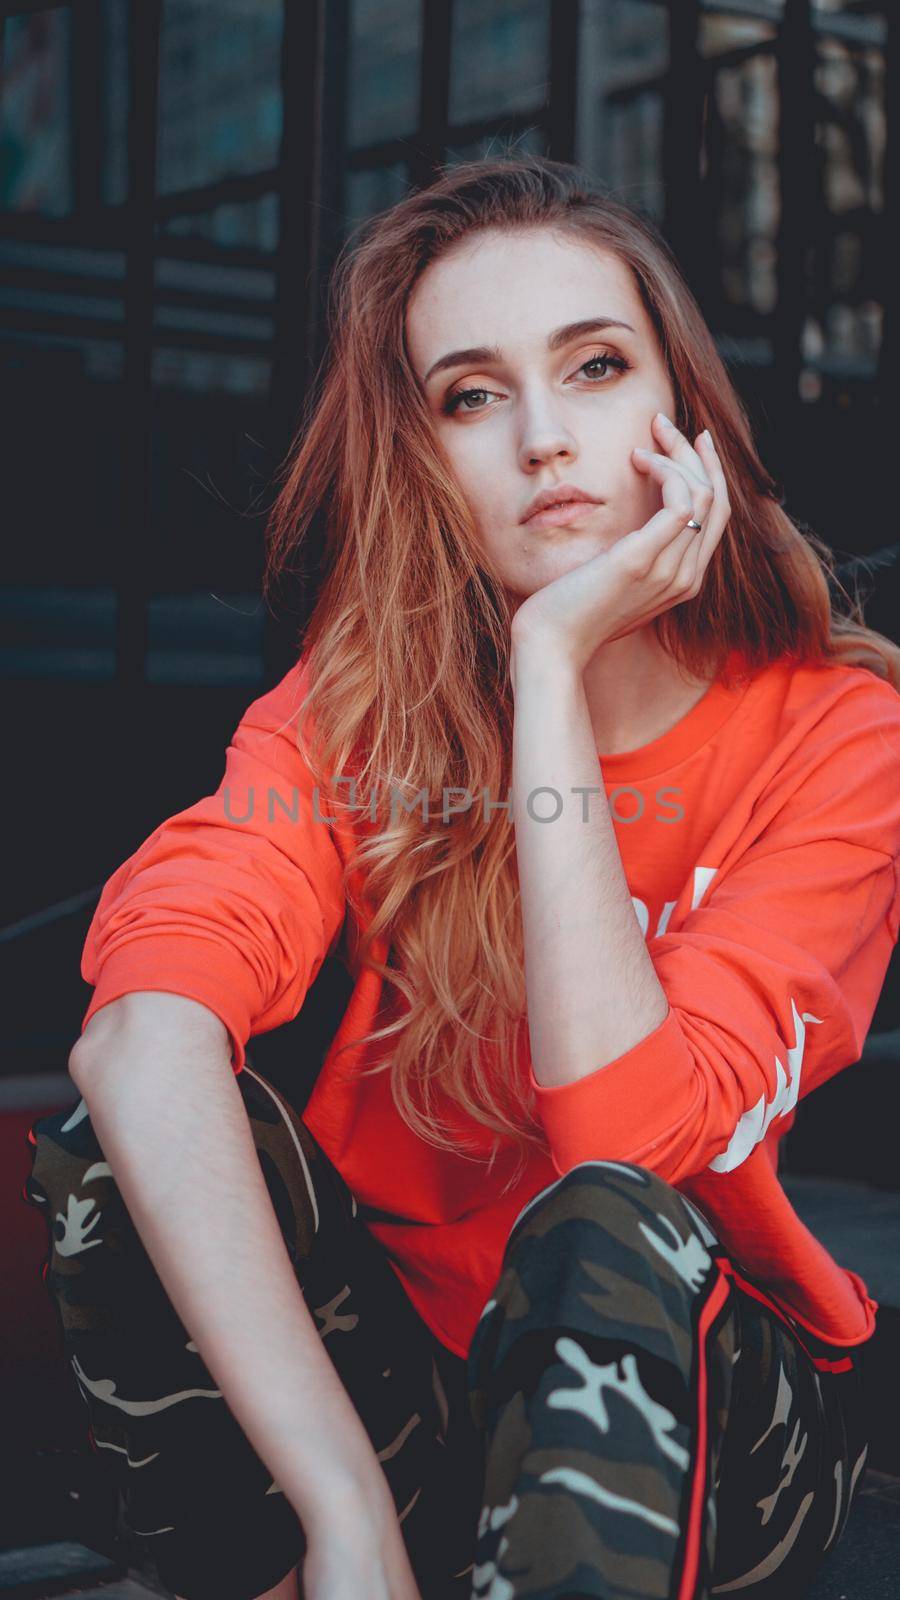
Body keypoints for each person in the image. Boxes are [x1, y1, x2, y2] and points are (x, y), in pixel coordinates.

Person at [24, 156, 900, 1600]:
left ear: (683, 414)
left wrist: (547, 667)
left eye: (598, 366)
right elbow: (138, 1031)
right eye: (471, 395)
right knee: (121, 1150)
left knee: (606, 1225)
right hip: (412, 1398)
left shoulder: (833, 731)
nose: (546, 439)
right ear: (420, 456)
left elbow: (622, 1147)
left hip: (706, 1415)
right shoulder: (357, 712)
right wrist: (343, 1505)